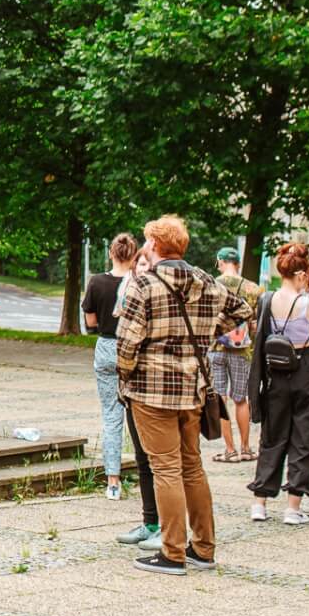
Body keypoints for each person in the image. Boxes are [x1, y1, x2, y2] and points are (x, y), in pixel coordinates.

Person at [116, 216, 252, 575]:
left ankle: (172, 552)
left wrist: (125, 377)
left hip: (152, 390)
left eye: (147, 241)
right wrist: (206, 334)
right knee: (192, 467)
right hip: (193, 389)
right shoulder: (205, 281)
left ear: (156, 246)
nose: (145, 247)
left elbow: (127, 342)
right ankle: (203, 549)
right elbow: (243, 309)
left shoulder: (143, 284)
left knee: (164, 468)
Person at [248, 242, 309, 525]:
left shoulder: (267, 300)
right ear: (301, 274)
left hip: (275, 374)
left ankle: (259, 503)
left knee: (272, 436)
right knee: (305, 436)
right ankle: (292, 508)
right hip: (305, 371)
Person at [83, 234, 139, 502]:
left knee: (111, 416)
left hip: (106, 347)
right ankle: (149, 473)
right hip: (134, 351)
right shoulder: (139, 283)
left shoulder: (96, 282)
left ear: (111, 254)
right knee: (140, 415)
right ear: (134, 256)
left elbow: (90, 322)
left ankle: (113, 481)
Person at [115, 248, 163, 551]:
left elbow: (127, 345)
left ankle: (170, 529)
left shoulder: (164, 288)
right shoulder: (133, 289)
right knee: (143, 459)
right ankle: (150, 521)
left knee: (166, 464)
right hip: (136, 388)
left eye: (149, 260)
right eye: (140, 263)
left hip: (157, 386)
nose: (144, 266)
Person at [211, 247, 261, 463]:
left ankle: (230, 450)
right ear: (238, 264)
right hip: (241, 350)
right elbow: (255, 325)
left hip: (215, 348)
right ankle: (246, 448)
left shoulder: (210, 285)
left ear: (220, 262)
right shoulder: (253, 289)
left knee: (220, 399)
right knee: (241, 400)